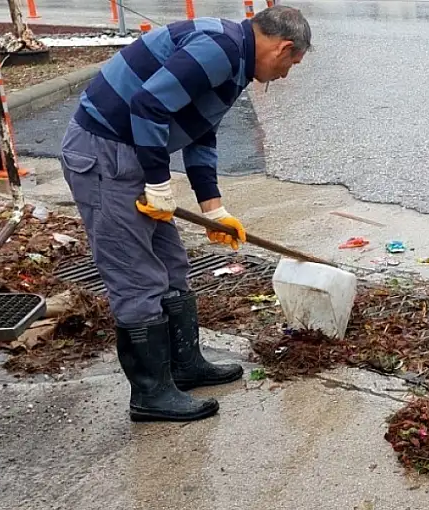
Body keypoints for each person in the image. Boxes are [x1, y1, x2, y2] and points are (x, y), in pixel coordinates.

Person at [59, 6, 311, 423]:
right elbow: (148, 105)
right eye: (292, 64)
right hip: (104, 154)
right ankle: (151, 394)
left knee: (172, 265)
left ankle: (183, 366)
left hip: (134, 154)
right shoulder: (221, 48)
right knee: (137, 275)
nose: (287, 75)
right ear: (283, 47)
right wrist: (159, 183)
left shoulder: (236, 63)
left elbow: (200, 131)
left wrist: (215, 207)